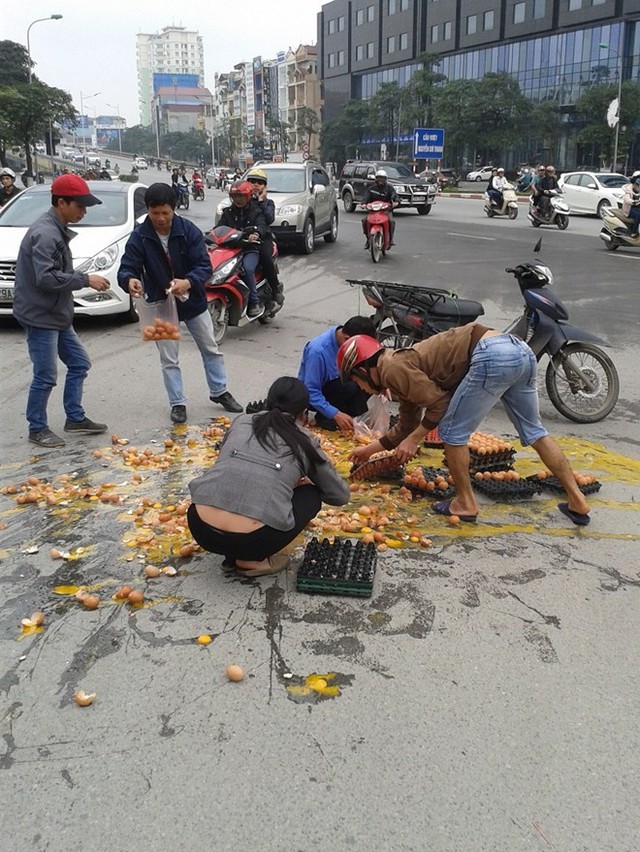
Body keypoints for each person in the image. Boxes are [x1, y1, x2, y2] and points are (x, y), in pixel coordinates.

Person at [339, 327, 591, 527]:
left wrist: (415, 439)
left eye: (354, 380)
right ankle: (576, 500)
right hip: (518, 350)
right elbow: (407, 423)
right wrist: (371, 450)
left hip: (491, 354)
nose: (359, 388)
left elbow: (439, 404)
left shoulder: (391, 368)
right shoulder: (394, 368)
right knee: (536, 432)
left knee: (452, 433)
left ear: (362, 368)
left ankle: (465, 503)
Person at [187, 376, 350, 577]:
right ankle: (253, 562)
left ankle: (232, 553)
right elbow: (339, 496)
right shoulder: (305, 440)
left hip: (200, 527)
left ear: (268, 402)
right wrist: (302, 480)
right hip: (254, 540)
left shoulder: (242, 421)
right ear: (303, 413)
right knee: (311, 493)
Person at [117, 182, 242, 423]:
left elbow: (204, 266)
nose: (161, 218)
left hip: (193, 301)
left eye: (165, 212)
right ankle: (177, 403)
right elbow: (128, 266)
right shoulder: (140, 235)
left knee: (211, 348)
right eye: (155, 213)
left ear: (174, 209)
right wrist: (130, 280)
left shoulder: (189, 231)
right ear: (148, 211)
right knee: (168, 358)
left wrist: (189, 281)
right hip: (158, 302)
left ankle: (220, 391)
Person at [13, 174, 110, 448]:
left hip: (57, 315)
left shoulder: (56, 228)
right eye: (79, 206)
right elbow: (46, 278)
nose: (84, 211)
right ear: (62, 203)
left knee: (80, 363)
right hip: (40, 315)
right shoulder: (45, 233)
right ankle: (37, 427)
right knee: (45, 375)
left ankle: (75, 418)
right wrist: (84, 279)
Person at [298, 316, 377, 432]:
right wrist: (335, 414)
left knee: (368, 383)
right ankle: (326, 418)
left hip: (340, 386)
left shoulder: (349, 342)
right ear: (347, 339)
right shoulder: (318, 351)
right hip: (318, 394)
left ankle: (352, 419)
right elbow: (311, 390)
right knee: (350, 386)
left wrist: (381, 384)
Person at [217, 181, 267, 317]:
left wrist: (256, 234)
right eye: (235, 196)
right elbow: (219, 228)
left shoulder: (256, 211)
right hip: (231, 250)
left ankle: (254, 302)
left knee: (247, 269)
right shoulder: (228, 212)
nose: (238, 199)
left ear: (248, 196)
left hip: (250, 249)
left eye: (241, 196)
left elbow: (262, 226)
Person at [246, 167, 284, 309]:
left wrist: (261, 201)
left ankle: (275, 289)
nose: (255, 185)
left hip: (263, 238)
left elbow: (269, 218)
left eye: (259, 182)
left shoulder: (268, 203)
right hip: (243, 239)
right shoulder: (243, 201)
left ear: (264, 186)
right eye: (252, 181)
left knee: (265, 256)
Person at [362, 169, 399, 248]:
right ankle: (368, 239)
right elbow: (366, 196)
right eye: (379, 178)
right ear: (376, 179)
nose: (380, 180)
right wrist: (364, 203)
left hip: (385, 211)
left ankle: (391, 239)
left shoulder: (389, 188)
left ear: (385, 179)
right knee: (364, 220)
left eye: (382, 179)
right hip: (373, 211)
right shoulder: (371, 188)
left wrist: (396, 202)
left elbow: (394, 195)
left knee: (391, 221)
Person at [622, 171, 640, 236]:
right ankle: (634, 232)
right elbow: (627, 200)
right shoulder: (628, 189)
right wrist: (634, 202)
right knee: (639, 215)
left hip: (638, 207)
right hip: (630, 208)